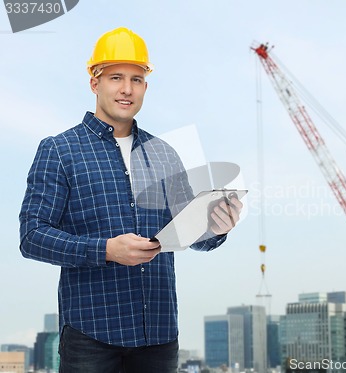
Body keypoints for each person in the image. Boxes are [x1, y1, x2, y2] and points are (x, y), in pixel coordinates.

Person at [19, 27, 243, 373]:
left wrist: (215, 227)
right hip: (91, 336)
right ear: (94, 82)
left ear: (145, 87)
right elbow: (32, 237)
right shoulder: (60, 150)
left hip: (159, 335)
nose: (127, 89)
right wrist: (106, 250)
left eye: (137, 79)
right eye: (116, 77)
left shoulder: (164, 154)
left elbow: (190, 234)